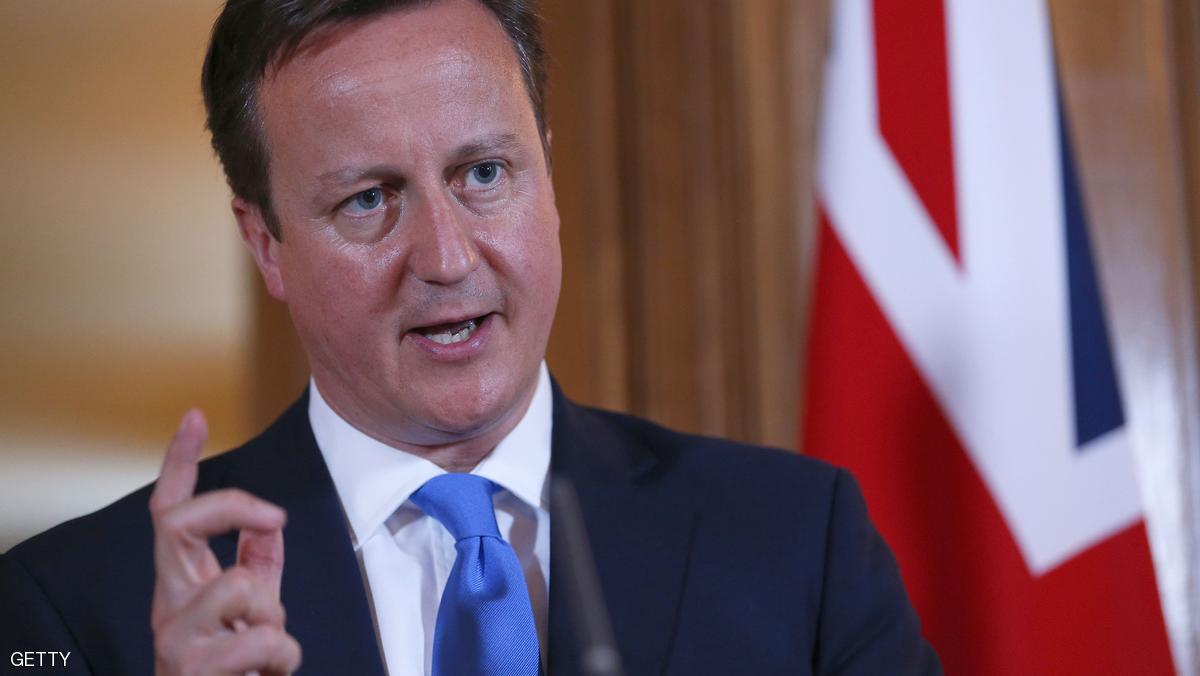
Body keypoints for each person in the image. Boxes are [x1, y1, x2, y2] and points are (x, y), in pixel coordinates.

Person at [0, 0, 942, 674]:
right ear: (266, 244)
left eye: (484, 173)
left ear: (549, 179)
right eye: (368, 199)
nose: (447, 258)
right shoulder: (72, 609)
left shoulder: (795, 541)